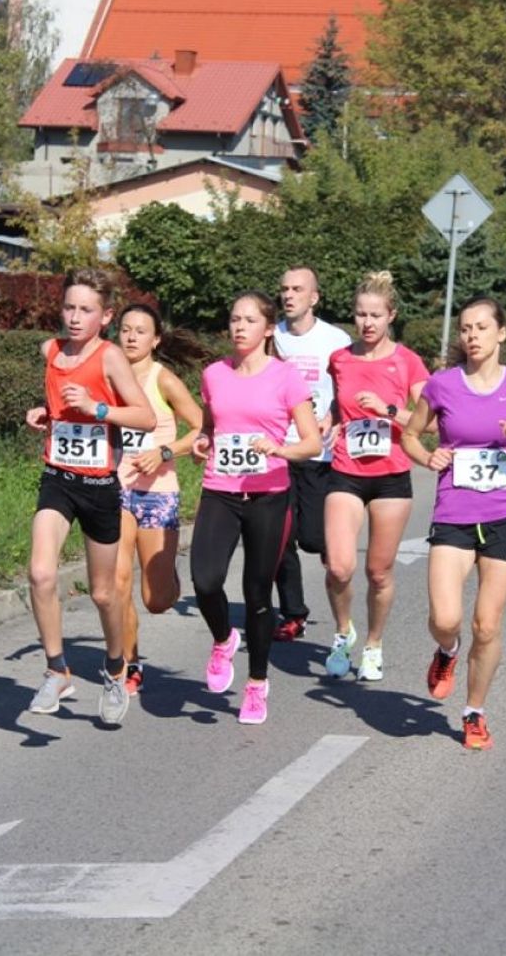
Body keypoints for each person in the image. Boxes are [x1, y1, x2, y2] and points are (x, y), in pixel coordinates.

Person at [400, 296, 506, 752]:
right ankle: (446, 651)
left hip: (503, 516)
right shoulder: (442, 385)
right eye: (466, 328)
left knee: (486, 626)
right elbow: (410, 434)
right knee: (446, 619)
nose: (472, 336)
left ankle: (474, 712)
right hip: (453, 515)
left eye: (482, 327)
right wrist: (428, 457)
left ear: (501, 333)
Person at [24, 269, 156, 725]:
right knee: (40, 573)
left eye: (86, 310)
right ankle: (56, 670)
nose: (75, 317)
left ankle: (116, 669)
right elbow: (60, 408)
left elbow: (145, 417)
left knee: (103, 594)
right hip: (58, 478)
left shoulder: (110, 357)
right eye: (69, 307)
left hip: (99, 487)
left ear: (106, 316)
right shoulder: (50, 350)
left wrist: (99, 408)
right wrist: (46, 414)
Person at [190, 291, 321, 725]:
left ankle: (256, 683)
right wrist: (203, 440)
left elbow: (312, 443)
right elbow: (210, 426)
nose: (239, 327)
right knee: (205, 579)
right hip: (220, 490)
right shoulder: (214, 374)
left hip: (269, 495)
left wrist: (279, 449)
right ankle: (223, 638)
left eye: (249, 320)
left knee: (257, 594)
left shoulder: (286, 377)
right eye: (234, 319)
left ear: (267, 329)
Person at [322, 272, 432, 682]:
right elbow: (339, 404)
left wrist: (388, 410)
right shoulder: (339, 359)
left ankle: (373, 644)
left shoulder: (407, 361)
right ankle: (342, 632)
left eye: (375, 315)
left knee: (379, 572)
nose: (367, 323)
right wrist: (331, 420)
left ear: (391, 316)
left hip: (391, 475)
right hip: (346, 471)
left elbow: (430, 421)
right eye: (360, 315)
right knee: (339, 567)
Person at [114, 303, 203, 695]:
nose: (131, 337)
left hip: (158, 494)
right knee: (117, 582)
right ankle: (128, 663)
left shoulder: (163, 379)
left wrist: (165, 451)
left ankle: (170, 579)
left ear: (155, 340)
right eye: (125, 329)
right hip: (115, 489)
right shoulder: (108, 376)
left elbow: (200, 427)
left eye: (140, 331)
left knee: (156, 600)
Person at [270, 267, 352, 642]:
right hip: (279, 450)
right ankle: (293, 614)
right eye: (285, 289)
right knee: (279, 537)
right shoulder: (271, 337)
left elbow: (348, 388)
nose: (289, 295)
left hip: (320, 454)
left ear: (314, 297)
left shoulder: (336, 340)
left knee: (315, 540)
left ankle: (341, 602)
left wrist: (334, 415)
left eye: (297, 289)